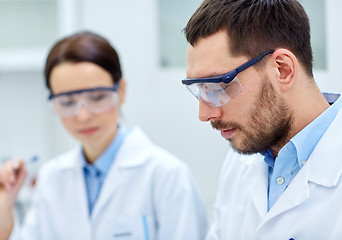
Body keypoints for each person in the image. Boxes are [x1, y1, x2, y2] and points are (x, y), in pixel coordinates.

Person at [0, 31, 207, 240]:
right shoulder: (51, 178)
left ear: (121, 91)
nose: (83, 115)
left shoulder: (167, 176)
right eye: (67, 102)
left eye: (97, 97)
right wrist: (4, 214)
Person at [182, 0, 342, 239]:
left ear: (282, 69)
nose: (204, 114)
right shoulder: (239, 162)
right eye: (199, 90)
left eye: (216, 86)